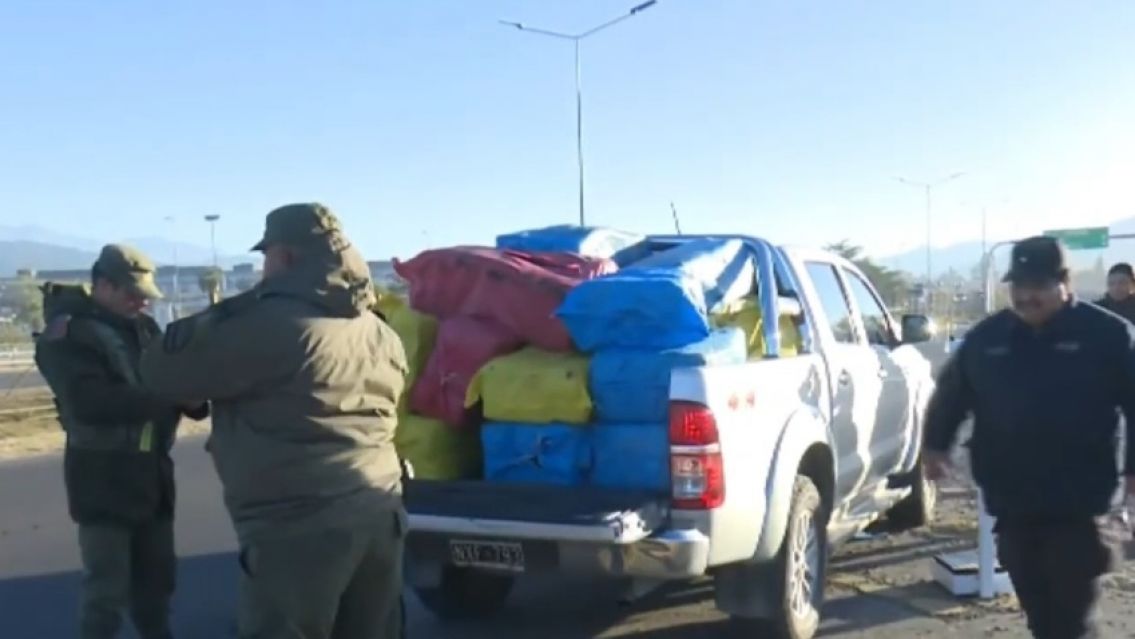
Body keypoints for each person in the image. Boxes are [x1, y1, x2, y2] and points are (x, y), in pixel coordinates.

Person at [140, 203, 409, 639]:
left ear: (284, 257)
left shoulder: (273, 325)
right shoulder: (380, 332)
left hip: (300, 526)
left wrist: (235, 308)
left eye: (267, 257)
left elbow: (159, 371)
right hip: (379, 510)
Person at [923, 235, 1135, 639]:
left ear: (1064, 283)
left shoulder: (1108, 336)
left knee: (1071, 619)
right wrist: (936, 445)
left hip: (1080, 503)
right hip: (1013, 502)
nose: (1026, 297)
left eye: (1037, 287)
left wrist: (1134, 473)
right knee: (1040, 615)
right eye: (1018, 287)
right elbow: (953, 394)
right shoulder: (988, 340)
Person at [34, 244, 208, 639]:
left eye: (144, 293)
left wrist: (197, 398)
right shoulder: (68, 333)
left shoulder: (144, 328)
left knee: (157, 584)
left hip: (152, 474)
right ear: (102, 285)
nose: (140, 300)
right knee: (106, 592)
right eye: (131, 292)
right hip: (103, 476)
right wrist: (172, 396)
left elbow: (177, 372)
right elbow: (90, 401)